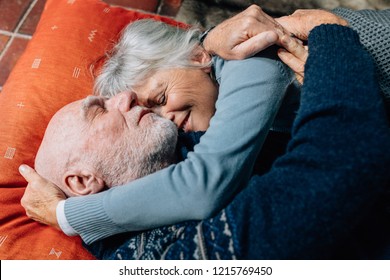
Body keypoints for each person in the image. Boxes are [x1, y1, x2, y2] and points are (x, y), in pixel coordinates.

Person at [20, 5, 390, 245]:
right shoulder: (202, 120)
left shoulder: (250, 55)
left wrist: (67, 215)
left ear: (199, 57)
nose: (168, 122)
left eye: (160, 98)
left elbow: (203, 184)